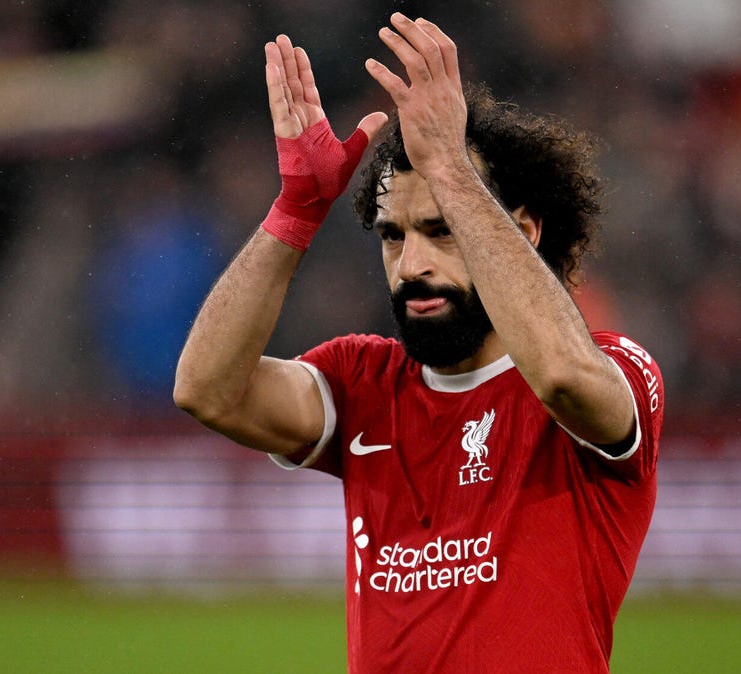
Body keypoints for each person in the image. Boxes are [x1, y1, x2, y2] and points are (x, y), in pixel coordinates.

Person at [174, 13, 663, 673]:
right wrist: (296, 210)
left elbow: (563, 380)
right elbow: (207, 390)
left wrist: (453, 173)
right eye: (393, 236)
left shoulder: (613, 370)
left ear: (523, 230)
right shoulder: (362, 383)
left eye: (440, 230)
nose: (411, 266)